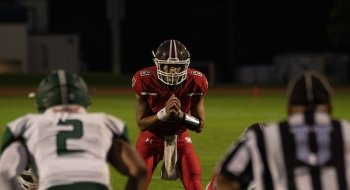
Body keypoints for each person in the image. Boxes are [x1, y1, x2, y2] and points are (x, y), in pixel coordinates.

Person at [0, 70, 147, 190]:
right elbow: (139, 170)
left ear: (41, 101)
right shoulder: (104, 123)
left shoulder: (28, 124)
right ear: (84, 99)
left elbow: (4, 173)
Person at [214, 70, 350, 190]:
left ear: (289, 109)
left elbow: (226, 177)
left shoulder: (264, 136)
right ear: (330, 108)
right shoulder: (346, 131)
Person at [131, 39, 208, 189]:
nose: (173, 70)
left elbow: (200, 125)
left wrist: (180, 116)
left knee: (195, 183)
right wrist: (163, 114)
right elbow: (141, 124)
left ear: (185, 66)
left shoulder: (196, 81)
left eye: (178, 67)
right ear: (158, 64)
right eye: (169, 66)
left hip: (181, 138)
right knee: (136, 184)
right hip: (150, 139)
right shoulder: (144, 79)